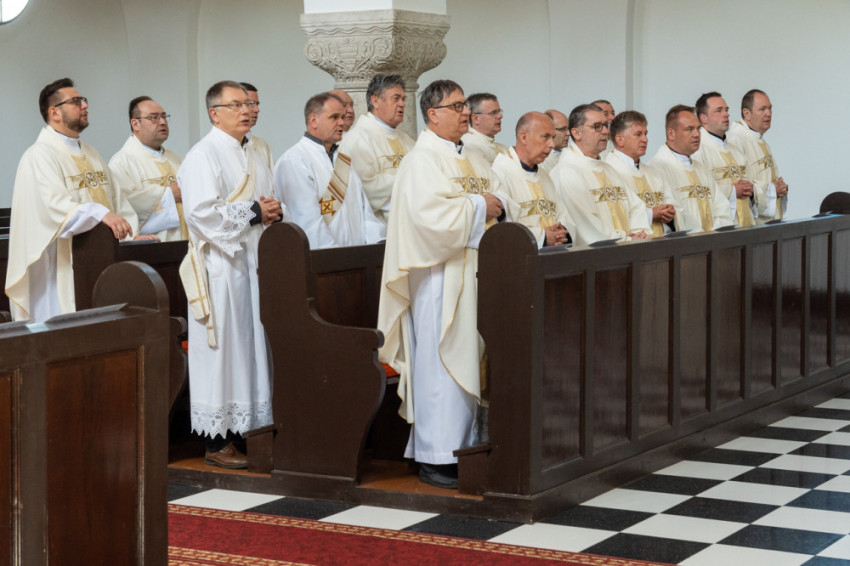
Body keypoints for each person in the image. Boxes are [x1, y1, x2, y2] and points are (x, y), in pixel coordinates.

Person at [377, 79, 506, 489]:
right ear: (432, 114)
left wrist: (495, 206)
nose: (465, 112)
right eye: (456, 106)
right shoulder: (422, 161)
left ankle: (469, 448)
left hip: (474, 273)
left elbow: (499, 198)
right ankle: (437, 456)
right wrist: (479, 206)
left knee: (471, 358)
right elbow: (428, 219)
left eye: (465, 104)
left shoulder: (470, 156)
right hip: (439, 279)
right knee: (442, 364)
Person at [177, 80, 285, 469]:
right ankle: (216, 441)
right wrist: (255, 212)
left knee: (252, 347)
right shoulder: (202, 155)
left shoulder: (255, 150)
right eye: (236, 105)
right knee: (224, 350)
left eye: (249, 104)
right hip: (221, 268)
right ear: (214, 113)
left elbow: (268, 200)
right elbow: (200, 213)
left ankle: (253, 430)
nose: (246, 110)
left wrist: (272, 211)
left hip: (253, 262)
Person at [5, 78, 142, 322]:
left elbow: (117, 202)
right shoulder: (38, 156)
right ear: (54, 113)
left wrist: (130, 236)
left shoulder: (91, 153)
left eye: (83, 100)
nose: (85, 105)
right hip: (59, 271)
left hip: (100, 262)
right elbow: (55, 209)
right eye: (76, 101)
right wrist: (101, 213)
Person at [274, 92, 385, 249]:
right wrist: (334, 259)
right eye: (334, 117)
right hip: (321, 259)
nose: (342, 122)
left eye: (342, 117)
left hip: (356, 258)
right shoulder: (295, 161)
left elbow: (365, 213)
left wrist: (378, 244)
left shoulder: (344, 161)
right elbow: (308, 223)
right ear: (313, 120)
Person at [550, 104, 650, 246]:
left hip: (629, 250)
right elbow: (586, 225)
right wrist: (626, 240)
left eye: (605, 126)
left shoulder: (607, 169)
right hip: (595, 256)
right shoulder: (566, 172)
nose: (605, 131)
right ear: (577, 133)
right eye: (597, 126)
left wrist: (640, 233)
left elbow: (636, 206)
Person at [338, 74, 416, 224]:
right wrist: (411, 180)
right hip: (380, 227)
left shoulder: (406, 140)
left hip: (411, 221)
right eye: (396, 98)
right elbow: (364, 187)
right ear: (375, 101)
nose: (402, 104)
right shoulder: (358, 139)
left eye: (403, 99)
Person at [109, 96, 187, 241]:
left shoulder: (177, 159)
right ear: (135, 124)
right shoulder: (122, 162)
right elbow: (121, 206)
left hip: (186, 241)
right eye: (154, 118)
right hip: (154, 245)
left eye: (164, 116)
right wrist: (168, 194)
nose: (162, 122)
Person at [492, 112, 575, 248]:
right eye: (545, 137)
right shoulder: (499, 173)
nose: (552, 144)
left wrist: (561, 234)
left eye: (553, 137)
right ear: (524, 137)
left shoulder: (544, 175)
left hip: (554, 256)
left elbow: (562, 214)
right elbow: (502, 229)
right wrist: (542, 237)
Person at [648, 105, 733, 232]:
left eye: (698, 128)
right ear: (671, 134)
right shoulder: (657, 168)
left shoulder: (700, 168)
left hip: (713, 241)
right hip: (684, 242)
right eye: (689, 129)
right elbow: (672, 214)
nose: (697, 134)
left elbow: (721, 207)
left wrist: (714, 235)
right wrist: (699, 237)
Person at [604, 110, 677, 236]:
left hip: (662, 242)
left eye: (645, 134)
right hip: (634, 244)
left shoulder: (653, 173)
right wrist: (650, 215)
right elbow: (610, 216)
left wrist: (670, 213)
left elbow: (671, 204)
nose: (645, 139)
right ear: (620, 139)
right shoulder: (609, 172)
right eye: (638, 134)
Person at [691, 91, 758, 226]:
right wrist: (732, 191)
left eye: (726, 110)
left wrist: (753, 190)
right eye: (719, 111)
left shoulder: (735, 150)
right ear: (704, 118)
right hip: (719, 228)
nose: (726, 114)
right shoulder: (697, 150)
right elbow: (697, 193)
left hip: (746, 225)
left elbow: (751, 184)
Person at [727, 89, 788, 221]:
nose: (768, 114)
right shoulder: (736, 140)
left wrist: (780, 187)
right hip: (754, 222)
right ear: (747, 113)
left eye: (770, 108)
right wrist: (772, 190)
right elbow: (742, 187)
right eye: (762, 109)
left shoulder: (758, 139)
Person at [461, 92, 508, 164]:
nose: (500, 116)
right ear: (476, 119)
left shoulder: (503, 148)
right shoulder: (469, 146)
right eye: (493, 113)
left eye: (499, 111)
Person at [240, 82, 274, 170]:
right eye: (251, 103)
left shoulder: (262, 146)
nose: (257, 110)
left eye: (257, 104)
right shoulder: (215, 147)